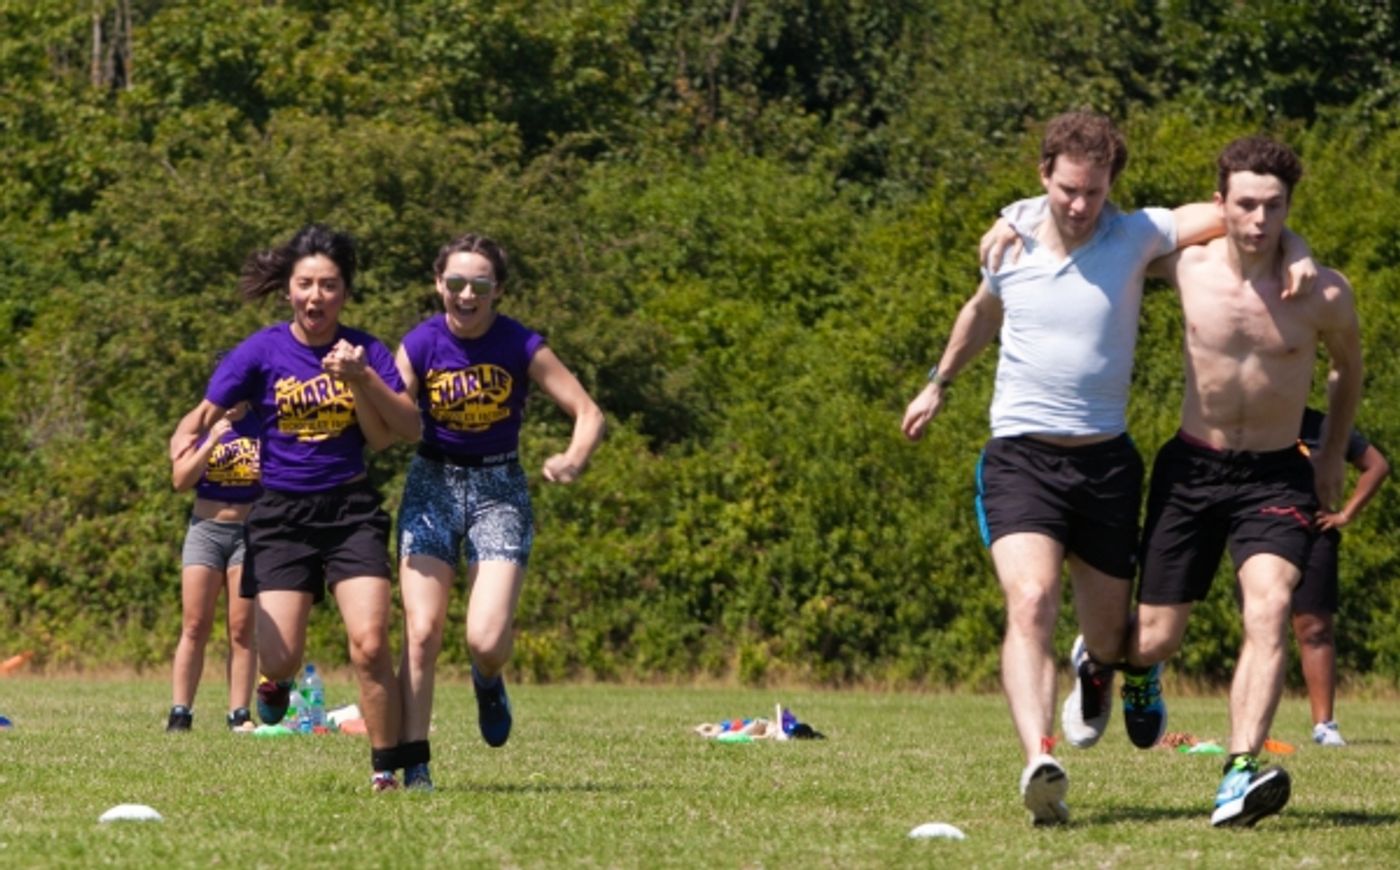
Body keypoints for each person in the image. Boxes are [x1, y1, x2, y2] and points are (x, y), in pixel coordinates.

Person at [900, 111, 1313, 826]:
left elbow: (1242, 216)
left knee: (1123, 639)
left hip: (1106, 468)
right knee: (1030, 599)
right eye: (1066, 190)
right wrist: (937, 381)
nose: (1079, 206)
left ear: (1111, 186)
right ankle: (1040, 760)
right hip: (1020, 456)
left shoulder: (1136, 234)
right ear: (1043, 178)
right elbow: (980, 313)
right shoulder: (1013, 240)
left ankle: (1101, 664)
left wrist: (1299, 242)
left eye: (1093, 191)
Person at [1124, 136, 1362, 827]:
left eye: (1276, 207)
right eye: (1246, 204)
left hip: (1274, 474)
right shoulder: (1186, 266)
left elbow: (1349, 368)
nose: (1261, 220)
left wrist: (1329, 455)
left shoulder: (1322, 291)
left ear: (1291, 207)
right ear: (1220, 203)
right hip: (1192, 465)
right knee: (1157, 637)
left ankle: (1238, 774)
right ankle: (1134, 670)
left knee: (1270, 606)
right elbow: (1108, 237)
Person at [170, 224, 422, 791]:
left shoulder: (367, 351)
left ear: (345, 292)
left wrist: (360, 378)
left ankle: (386, 770)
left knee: (372, 643)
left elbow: (404, 429)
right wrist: (191, 441)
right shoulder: (259, 351)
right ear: (288, 289)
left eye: (329, 286)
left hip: (350, 511)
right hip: (280, 515)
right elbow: (200, 416)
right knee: (281, 658)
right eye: (305, 284)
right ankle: (274, 681)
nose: (316, 297)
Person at [394, 233, 604, 790]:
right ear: (439, 284)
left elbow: (587, 411)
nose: (466, 295)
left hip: (499, 488)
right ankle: (415, 763)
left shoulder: (520, 344)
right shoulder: (419, 343)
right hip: (431, 483)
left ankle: (488, 680)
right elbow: (391, 409)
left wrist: (574, 457)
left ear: (497, 291)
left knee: (484, 639)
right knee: (422, 632)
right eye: (456, 283)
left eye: (479, 285)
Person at [1291, 404, 1387, 747]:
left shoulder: (1327, 427)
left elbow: (1377, 465)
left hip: (1315, 535)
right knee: (1260, 625)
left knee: (1315, 628)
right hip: (1261, 535)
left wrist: (1345, 514)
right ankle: (1251, 721)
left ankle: (1324, 726)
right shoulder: (1257, 419)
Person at [167, 401, 261, 732]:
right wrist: (210, 443)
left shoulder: (263, 423)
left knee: (241, 629)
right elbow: (179, 481)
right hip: (205, 530)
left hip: (248, 532)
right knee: (195, 625)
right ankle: (180, 712)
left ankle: (239, 713)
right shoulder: (197, 424)